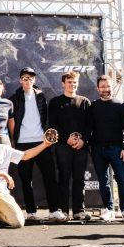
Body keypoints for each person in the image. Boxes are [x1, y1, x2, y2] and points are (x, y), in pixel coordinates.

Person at [0, 120, 53, 230]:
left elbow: (25, 155)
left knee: (18, 222)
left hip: (0, 192)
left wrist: (44, 145)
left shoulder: (4, 149)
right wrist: (2, 174)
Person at [8, 67, 65, 221]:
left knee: (50, 177)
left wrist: (46, 138)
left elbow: (44, 117)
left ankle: (54, 210)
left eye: (31, 78)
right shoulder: (14, 98)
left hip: (41, 142)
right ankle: (31, 212)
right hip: (22, 143)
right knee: (25, 180)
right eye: (25, 78)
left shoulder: (41, 96)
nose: (28, 81)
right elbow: (12, 121)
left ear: (34, 80)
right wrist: (13, 139)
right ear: (20, 80)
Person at [49, 71, 93, 221]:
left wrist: (83, 140)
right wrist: (67, 138)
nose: (72, 85)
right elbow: (53, 124)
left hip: (81, 147)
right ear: (63, 84)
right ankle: (64, 211)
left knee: (79, 179)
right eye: (69, 82)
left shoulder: (85, 101)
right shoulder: (55, 102)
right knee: (64, 178)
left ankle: (79, 210)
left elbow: (89, 124)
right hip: (63, 146)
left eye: (74, 82)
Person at [90, 74, 124, 222]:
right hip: (97, 150)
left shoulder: (121, 105)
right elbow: (89, 127)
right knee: (103, 181)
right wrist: (90, 145)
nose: (106, 89)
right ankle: (109, 209)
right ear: (98, 88)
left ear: (112, 87)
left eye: (108, 86)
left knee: (122, 180)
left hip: (117, 149)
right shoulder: (93, 106)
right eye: (102, 86)